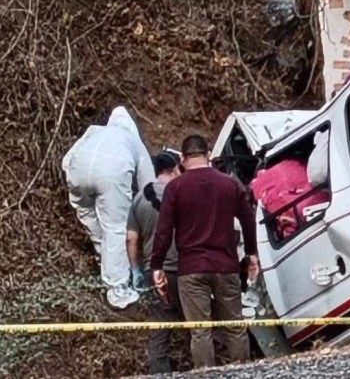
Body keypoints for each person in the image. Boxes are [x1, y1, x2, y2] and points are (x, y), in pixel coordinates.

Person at [150, 134, 259, 369]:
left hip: (190, 268)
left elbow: (164, 230)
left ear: (182, 158)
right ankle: (243, 372)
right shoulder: (229, 183)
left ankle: (206, 375)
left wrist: (157, 266)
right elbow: (249, 220)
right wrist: (251, 254)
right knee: (234, 326)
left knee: (200, 331)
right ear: (208, 155)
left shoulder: (175, 188)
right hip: (226, 265)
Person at [62, 106, 154, 309]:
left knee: (87, 212)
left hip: (77, 172)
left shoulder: (94, 131)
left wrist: (76, 178)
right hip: (112, 175)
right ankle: (117, 290)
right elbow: (149, 186)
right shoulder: (133, 141)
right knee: (115, 227)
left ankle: (104, 257)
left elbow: (66, 160)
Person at [126, 151, 183, 374]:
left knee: (161, 324)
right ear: (174, 169)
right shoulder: (180, 193)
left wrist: (135, 270)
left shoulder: (139, 198)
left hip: (154, 269)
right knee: (199, 320)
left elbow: (131, 238)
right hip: (182, 267)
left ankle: (160, 373)